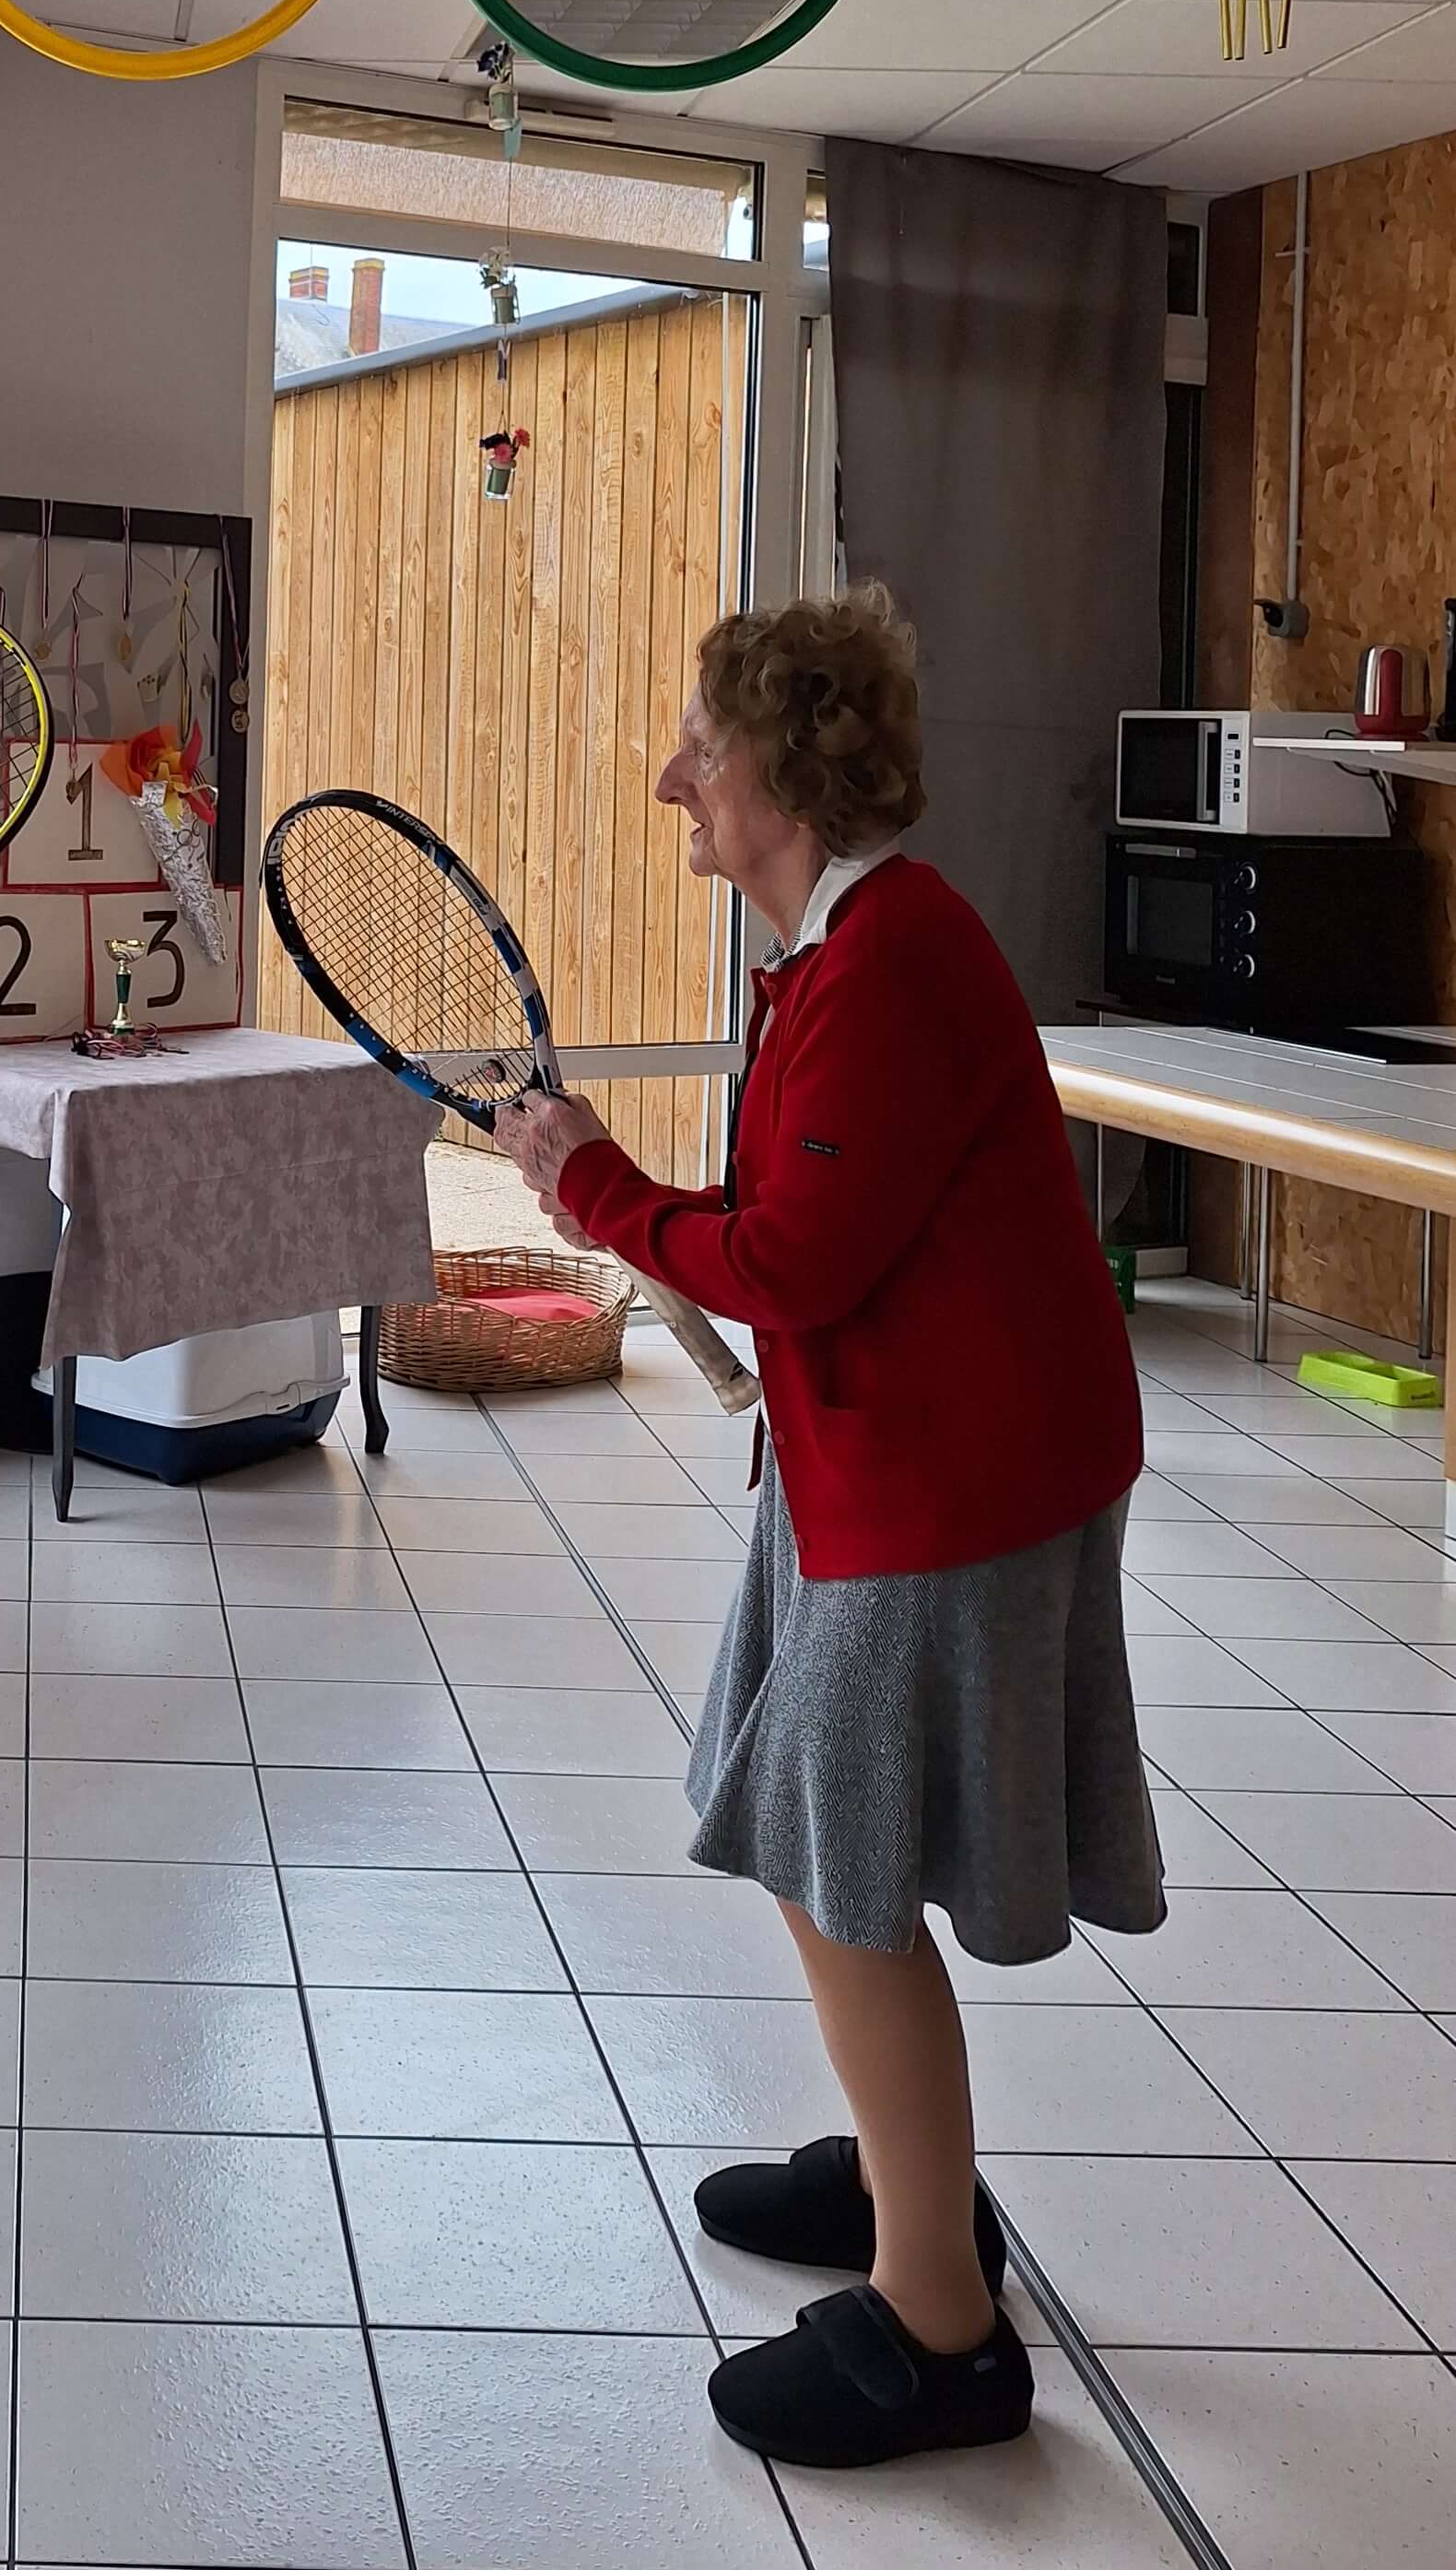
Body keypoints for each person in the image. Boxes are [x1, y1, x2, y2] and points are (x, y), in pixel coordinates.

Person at [505, 585, 1161, 2474]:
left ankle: (941, 2325)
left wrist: (596, 1185)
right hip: (881, 1457)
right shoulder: (838, 953)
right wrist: (623, 1200)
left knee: (837, 1871)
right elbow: (804, 1229)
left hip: (956, 1483)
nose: (670, 783)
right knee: (816, 1837)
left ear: (784, 776)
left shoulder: (889, 964)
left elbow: (795, 1260)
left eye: (699, 753)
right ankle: (903, 2181)